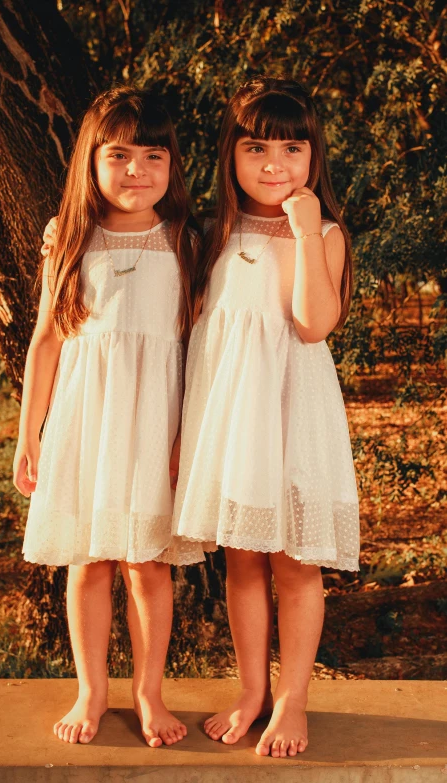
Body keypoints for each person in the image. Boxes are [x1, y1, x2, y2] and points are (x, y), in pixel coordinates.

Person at [172, 76, 360, 758]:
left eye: (292, 147)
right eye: (256, 147)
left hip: (292, 421)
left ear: (315, 157)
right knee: (243, 561)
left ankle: (293, 697)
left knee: (295, 564)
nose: (274, 163)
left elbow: (313, 324)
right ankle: (252, 688)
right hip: (232, 422)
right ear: (231, 155)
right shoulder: (209, 234)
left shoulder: (327, 233)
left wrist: (307, 232)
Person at [13, 86, 204, 748]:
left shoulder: (184, 240)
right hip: (85, 422)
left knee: (147, 564)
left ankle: (148, 693)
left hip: (157, 425)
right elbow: (45, 342)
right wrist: (28, 434)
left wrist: (187, 439)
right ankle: (91, 689)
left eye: (154, 156)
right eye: (119, 155)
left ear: (172, 165)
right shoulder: (67, 237)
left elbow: (197, 351)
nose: (137, 171)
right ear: (90, 161)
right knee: (90, 560)